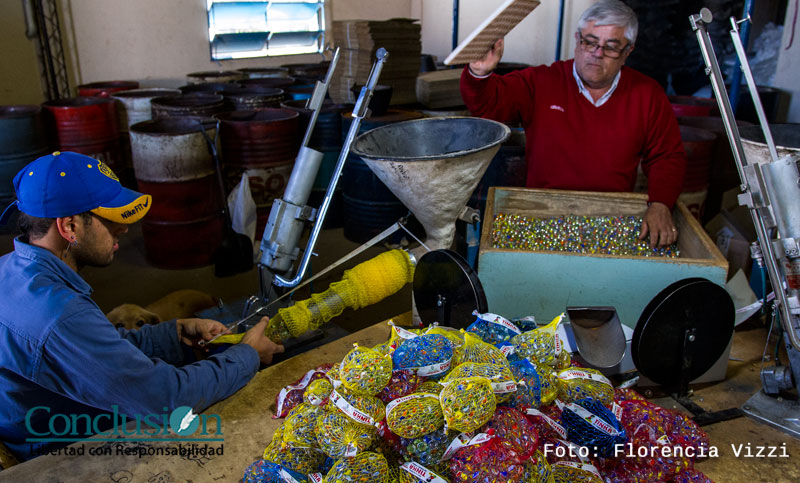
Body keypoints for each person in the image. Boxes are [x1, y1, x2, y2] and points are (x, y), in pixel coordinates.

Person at [0, 151, 284, 462]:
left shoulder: (12, 269)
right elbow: (169, 400)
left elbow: (89, 348)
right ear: (69, 226)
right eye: (112, 220)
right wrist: (247, 355)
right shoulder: (59, 313)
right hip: (60, 451)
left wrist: (171, 335)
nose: (124, 229)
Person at [461, 0, 686, 247]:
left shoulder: (647, 94)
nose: (597, 53)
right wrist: (480, 73)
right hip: (541, 215)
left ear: (627, 51)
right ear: (577, 39)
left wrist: (661, 203)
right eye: (590, 42)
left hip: (612, 218)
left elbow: (667, 155)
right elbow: (489, 106)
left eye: (611, 47)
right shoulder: (542, 81)